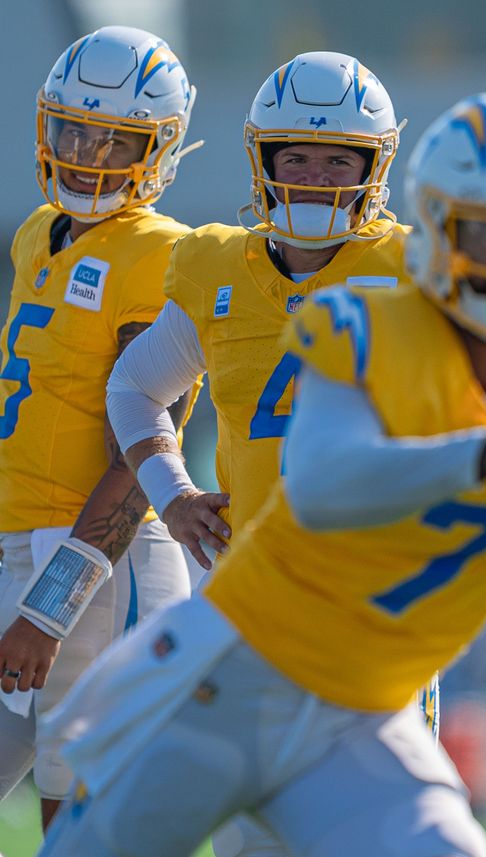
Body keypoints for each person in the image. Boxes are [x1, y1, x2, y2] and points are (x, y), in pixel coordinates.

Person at [37, 91, 486, 857]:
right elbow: (326, 487)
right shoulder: (368, 324)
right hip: (233, 670)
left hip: (364, 713)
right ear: (435, 228)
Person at [103, 50, 417, 857]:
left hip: (370, 606)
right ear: (263, 161)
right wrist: (171, 493)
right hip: (251, 608)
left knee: (379, 835)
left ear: (373, 165)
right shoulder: (219, 266)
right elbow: (135, 387)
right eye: (296, 156)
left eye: (338, 158)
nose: (315, 176)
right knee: (254, 843)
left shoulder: (416, 272)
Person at [0, 26, 198, 830]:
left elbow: (144, 445)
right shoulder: (36, 233)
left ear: (162, 149)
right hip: (19, 543)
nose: (89, 154)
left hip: (98, 561)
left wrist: (49, 607)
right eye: (75, 129)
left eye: (120, 141)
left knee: (75, 818)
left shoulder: (162, 252)